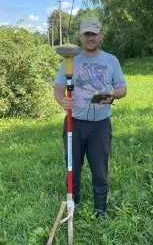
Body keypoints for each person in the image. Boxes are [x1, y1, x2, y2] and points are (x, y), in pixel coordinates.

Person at [54, 17, 127, 218]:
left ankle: (100, 211)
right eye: (87, 34)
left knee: (100, 170)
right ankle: (73, 206)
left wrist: (111, 95)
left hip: (100, 126)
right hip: (74, 124)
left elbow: (122, 89)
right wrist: (62, 101)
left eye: (94, 33)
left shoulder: (111, 60)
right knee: (72, 167)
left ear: (101, 35)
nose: (91, 37)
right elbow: (59, 88)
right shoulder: (70, 60)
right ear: (80, 36)